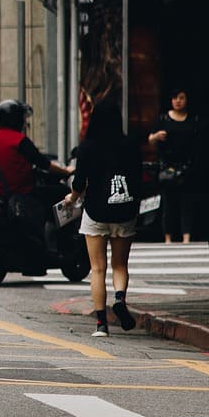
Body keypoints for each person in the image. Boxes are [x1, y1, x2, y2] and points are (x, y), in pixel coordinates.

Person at [65, 101, 141, 337]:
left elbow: (79, 183)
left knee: (97, 269)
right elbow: (140, 177)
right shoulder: (130, 145)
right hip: (124, 211)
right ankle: (119, 298)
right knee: (120, 265)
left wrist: (72, 198)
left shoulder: (87, 148)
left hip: (96, 211)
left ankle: (101, 324)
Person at [0, 98, 72, 261]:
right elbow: (43, 163)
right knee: (63, 193)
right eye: (22, 118)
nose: (24, 122)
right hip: (22, 193)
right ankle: (55, 243)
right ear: (16, 119)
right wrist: (66, 171)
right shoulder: (19, 141)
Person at [149, 89, 201, 243]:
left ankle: (186, 236)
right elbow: (150, 139)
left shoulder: (193, 120)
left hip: (187, 167)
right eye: (175, 98)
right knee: (168, 203)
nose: (178, 101)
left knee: (187, 203)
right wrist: (156, 136)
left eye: (181, 98)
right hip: (168, 167)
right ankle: (168, 237)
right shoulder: (163, 119)